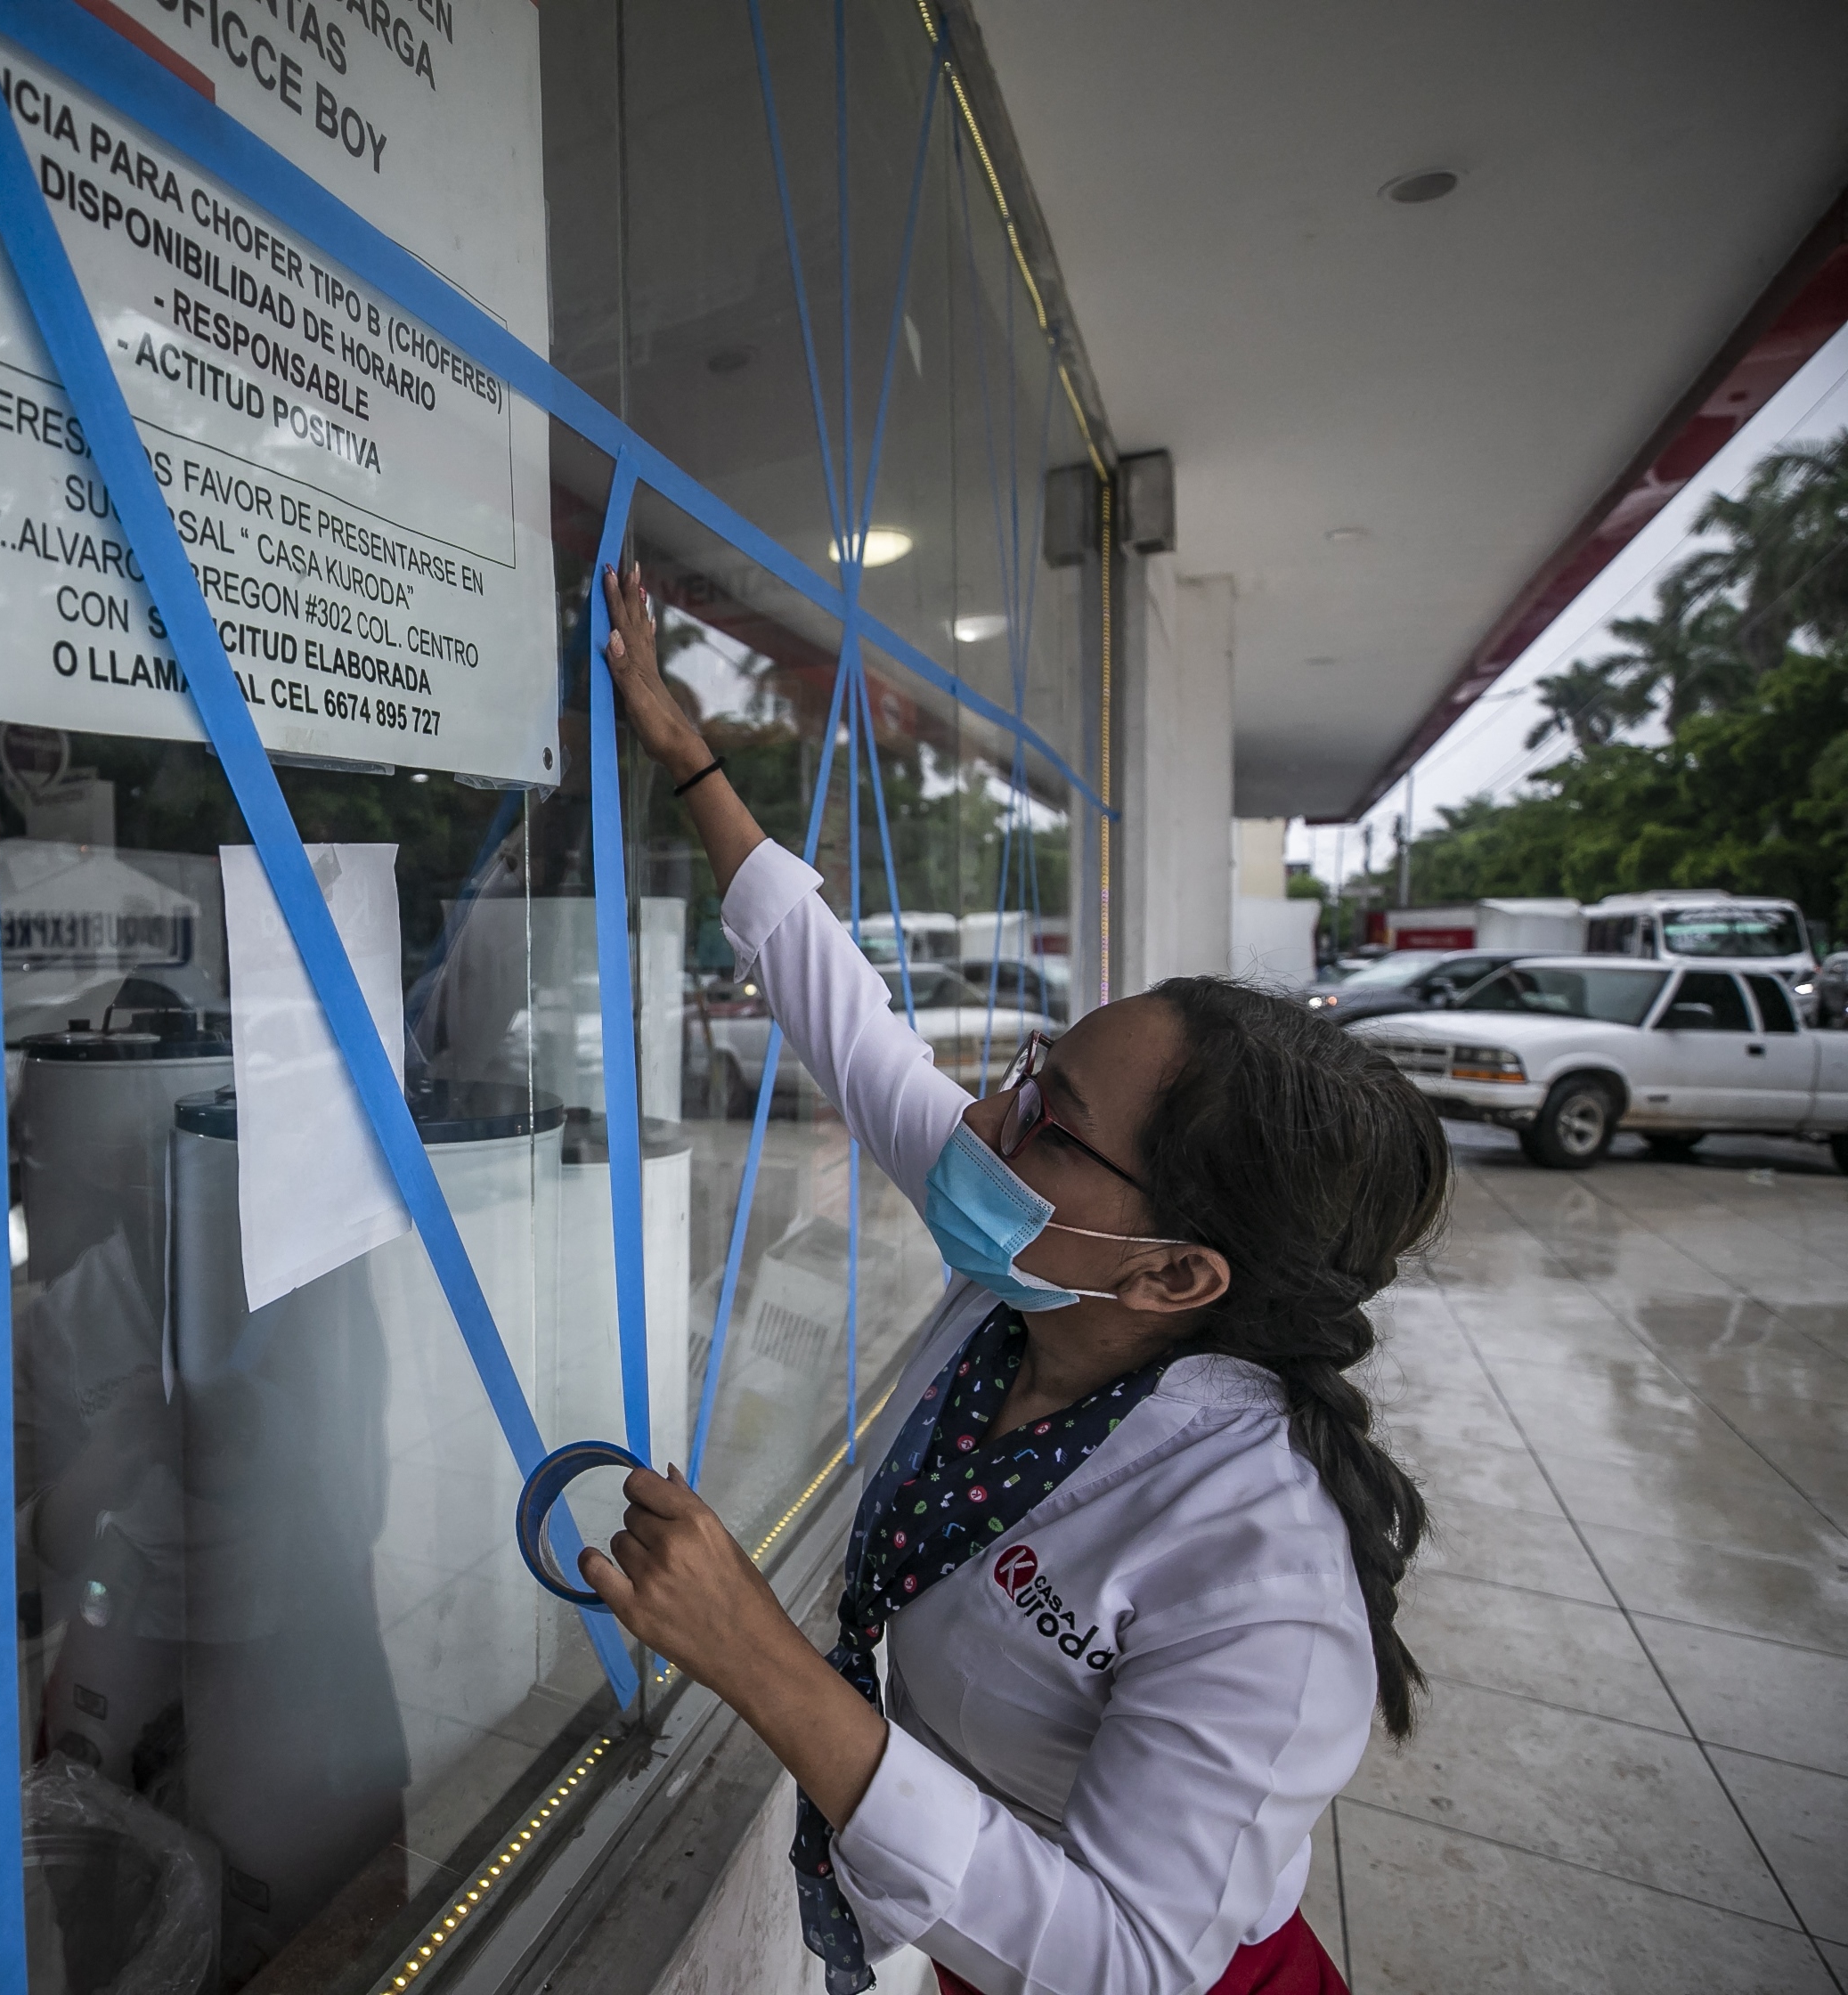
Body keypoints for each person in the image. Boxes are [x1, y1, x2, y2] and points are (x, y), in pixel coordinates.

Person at [582, 566, 1446, 1995]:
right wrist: (693, 759)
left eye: (1051, 1118)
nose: (985, 1117)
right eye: (1032, 1069)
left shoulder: (1263, 1579)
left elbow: (1123, 1962)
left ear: (1175, 1272)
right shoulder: (1040, 1272)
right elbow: (847, 1015)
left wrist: (758, 1656)